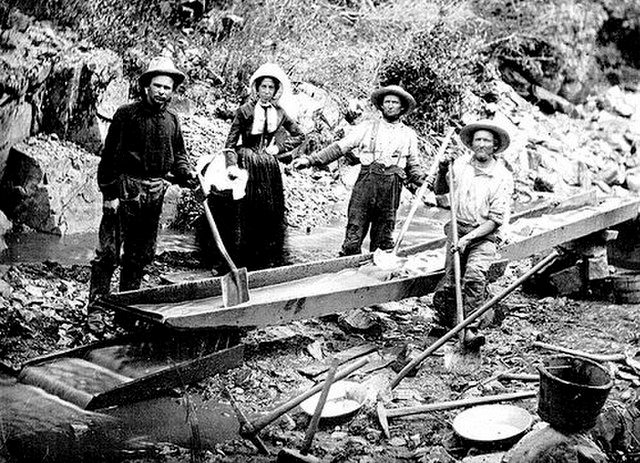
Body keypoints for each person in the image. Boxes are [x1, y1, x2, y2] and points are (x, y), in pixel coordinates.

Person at [87, 55, 196, 326]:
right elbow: (110, 157)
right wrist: (109, 194)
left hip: (155, 191)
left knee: (138, 256)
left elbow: (179, 155)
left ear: (173, 91)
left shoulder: (172, 119)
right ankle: (97, 311)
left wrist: (188, 172)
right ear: (146, 86)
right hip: (126, 189)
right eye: (157, 86)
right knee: (108, 254)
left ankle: (126, 312)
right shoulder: (126, 114)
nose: (162, 92)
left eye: (167, 88)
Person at [293, 85, 426, 256]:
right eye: (387, 102)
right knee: (352, 239)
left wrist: (424, 179)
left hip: (390, 191)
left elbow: (413, 166)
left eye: (395, 102)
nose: (390, 105)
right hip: (365, 187)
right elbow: (339, 148)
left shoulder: (409, 135)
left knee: (383, 242)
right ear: (381, 105)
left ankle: (376, 277)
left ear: (402, 108)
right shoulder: (367, 127)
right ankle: (345, 276)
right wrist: (310, 160)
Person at [431, 119, 514, 350]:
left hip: (485, 234)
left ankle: (469, 329)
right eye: (477, 140)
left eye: (486, 140)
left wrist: (468, 239)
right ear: (472, 144)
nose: (481, 144)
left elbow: (495, 221)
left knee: (475, 277)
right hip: (458, 227)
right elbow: (440, 192)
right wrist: (441, 169)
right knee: (449, 281)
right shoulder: (459, 165)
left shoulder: (501, 176)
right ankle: (446, 324)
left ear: (495, 146)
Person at [214, 62, 304, 270]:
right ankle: (236, 260)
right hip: (246, 163)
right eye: (263, 86)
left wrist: (279, 148)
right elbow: (229, 144)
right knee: (243, 211)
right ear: (256, 88)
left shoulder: (280, 112)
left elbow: (300, 135)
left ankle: (264, 259)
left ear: (276, 91)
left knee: (269, 212)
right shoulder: (244, 111)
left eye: (271, 87)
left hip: (268, 165)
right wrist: (231, 166)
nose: (266, 91)